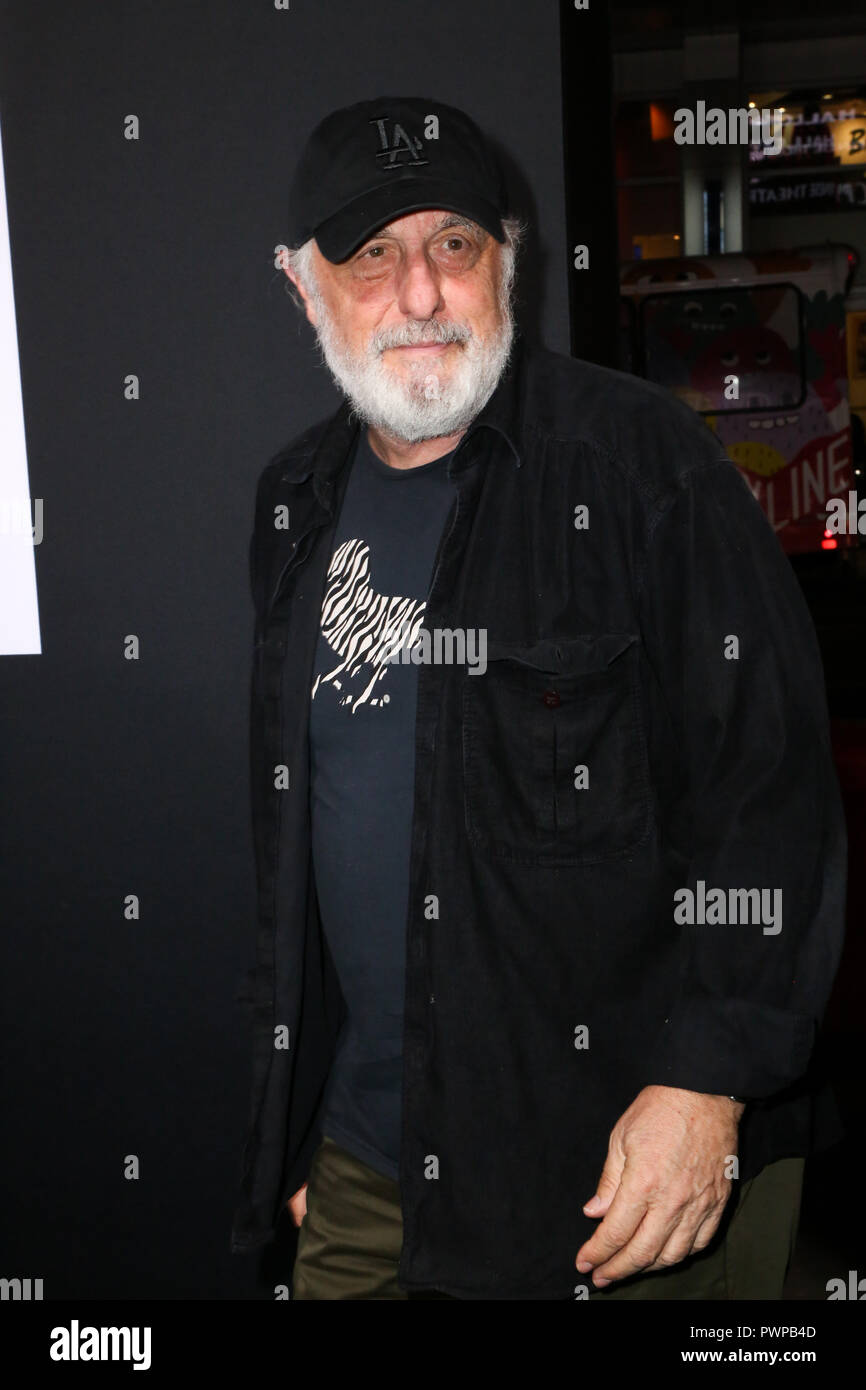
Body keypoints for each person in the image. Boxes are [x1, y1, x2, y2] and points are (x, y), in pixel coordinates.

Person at [230, 96, 847, 1301]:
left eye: (452, 246)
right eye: (370, 257)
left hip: (611, 1179)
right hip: (366, 1164)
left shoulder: (642, 467)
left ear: (506, 259)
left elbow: (766, 796)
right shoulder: (291, 500)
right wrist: (299, 1126)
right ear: (303, 288)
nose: (418, 294)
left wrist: (704, 1084)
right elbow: (298, 846)